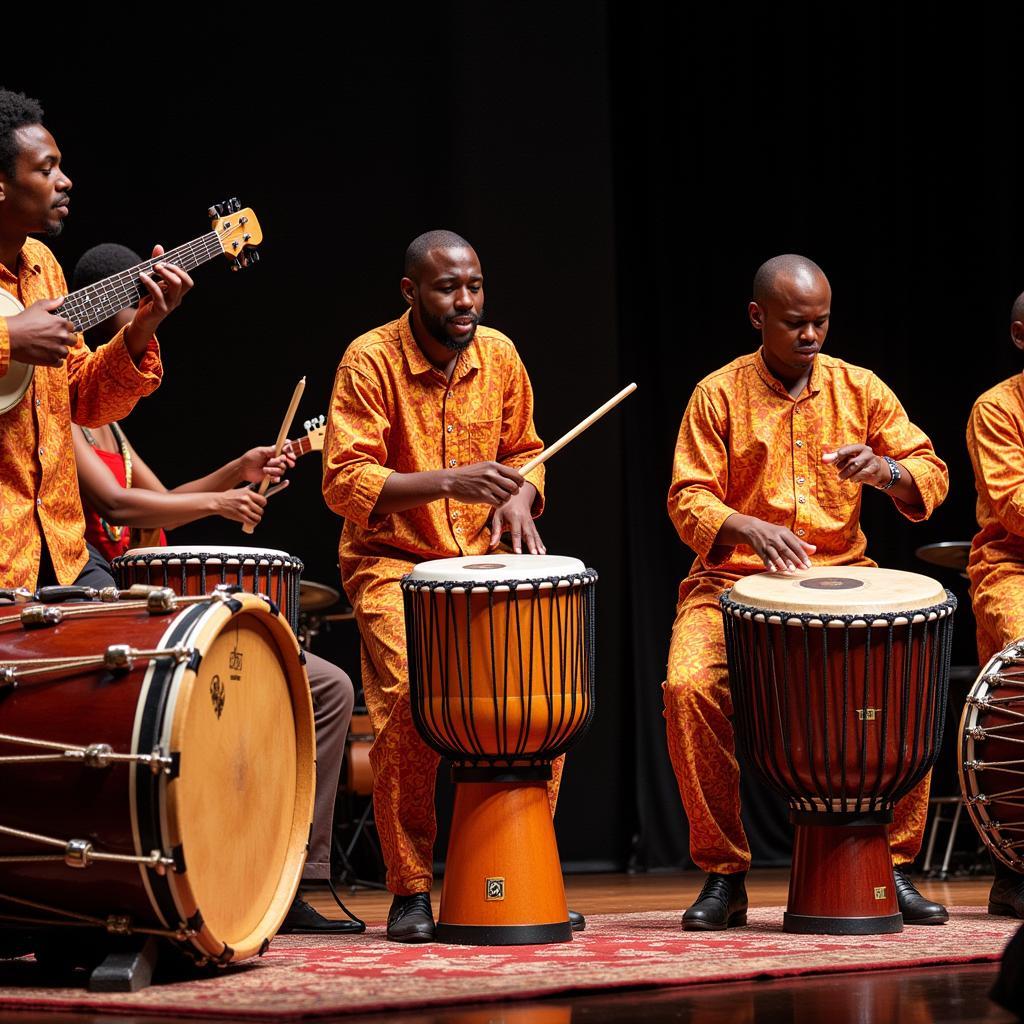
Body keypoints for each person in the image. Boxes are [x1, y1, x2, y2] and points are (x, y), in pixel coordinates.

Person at [69, 243, 360, 935]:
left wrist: (238, 469)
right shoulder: (60, 409)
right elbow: (120, 507)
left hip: (141, 602)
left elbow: (161, 498)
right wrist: (220, 506)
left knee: (324, 687)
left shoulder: (109, 420)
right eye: (135, 309)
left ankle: (293, 875)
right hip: (101, 606)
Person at [665, 254, 950, 930]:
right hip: (733, 584)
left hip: (845, 580)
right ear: (758, 316)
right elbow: (686, 499)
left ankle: (895, 864)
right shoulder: (718, 394)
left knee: (909, 672)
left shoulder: (861, 388)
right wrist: (746, 527)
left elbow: (930, 475)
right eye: (796, 323)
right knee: (687, 687)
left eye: (821, 321)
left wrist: (884, 471)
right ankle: (723, 873)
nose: (811, 335)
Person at [322, 229, 585, 943]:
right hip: (393, 564)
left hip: (484, 560)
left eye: (473, 285)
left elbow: (528, 450)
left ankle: (520, 863)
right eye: (448, 287)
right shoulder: (370, 360)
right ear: (411, 292)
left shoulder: (499, 354)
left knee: (540, 696)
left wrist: (519, 497)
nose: (465, 300)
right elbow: (345, 483)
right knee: (413, 700)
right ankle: (410, 888)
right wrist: (449, 481)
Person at [0, 90, 191, 593]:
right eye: (46, 169)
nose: (65, 181)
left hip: (60, 547)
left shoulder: (45, 267)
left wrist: (142, 328)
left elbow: (84, 398)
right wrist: (8, 338)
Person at [966, 289, 1024, 919]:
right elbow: (1013, 503)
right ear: (1019, 336)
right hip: (1014, 565)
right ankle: (1014, 864)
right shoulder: (998, 408)